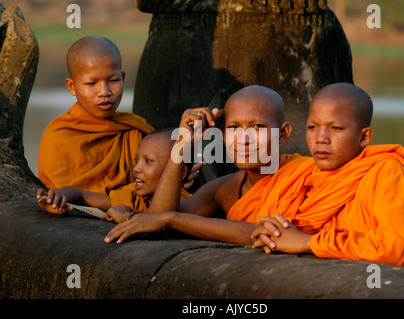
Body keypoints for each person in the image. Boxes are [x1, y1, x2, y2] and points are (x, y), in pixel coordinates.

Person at [249, 83, 404, 268]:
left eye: (336, 128)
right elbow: (272, 229)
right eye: (312, 127)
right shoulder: (303, 174)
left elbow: (394, 249)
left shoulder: (384, 172)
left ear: (364, 137)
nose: (321, 139)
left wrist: (308, 243)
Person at [104, 85, 309, 244]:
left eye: (257, 126)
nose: (244, 138)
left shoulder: (304, 173)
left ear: (282, 133)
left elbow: (266, 232)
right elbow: (160, 219)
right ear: (222, 134)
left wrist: (172, 219)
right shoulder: (223, 189)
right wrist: (182, 144)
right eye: (233, 127)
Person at [38, 35, 154, 194]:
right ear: (72, 86)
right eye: (91, 83)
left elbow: (156, 182)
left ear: (123, 78)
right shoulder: (59, 136)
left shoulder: (134, 129)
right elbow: (60, 192)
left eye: (113, 80)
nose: (104, 92)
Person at [37, 129, 191, 223]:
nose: (137, 168)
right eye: (136, 160)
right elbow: (81, 195)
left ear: (180, 172)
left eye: (148, 161)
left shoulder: (187, 204)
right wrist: (58, 197)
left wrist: (127, 218)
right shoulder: (135, 196)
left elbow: (160, 222)